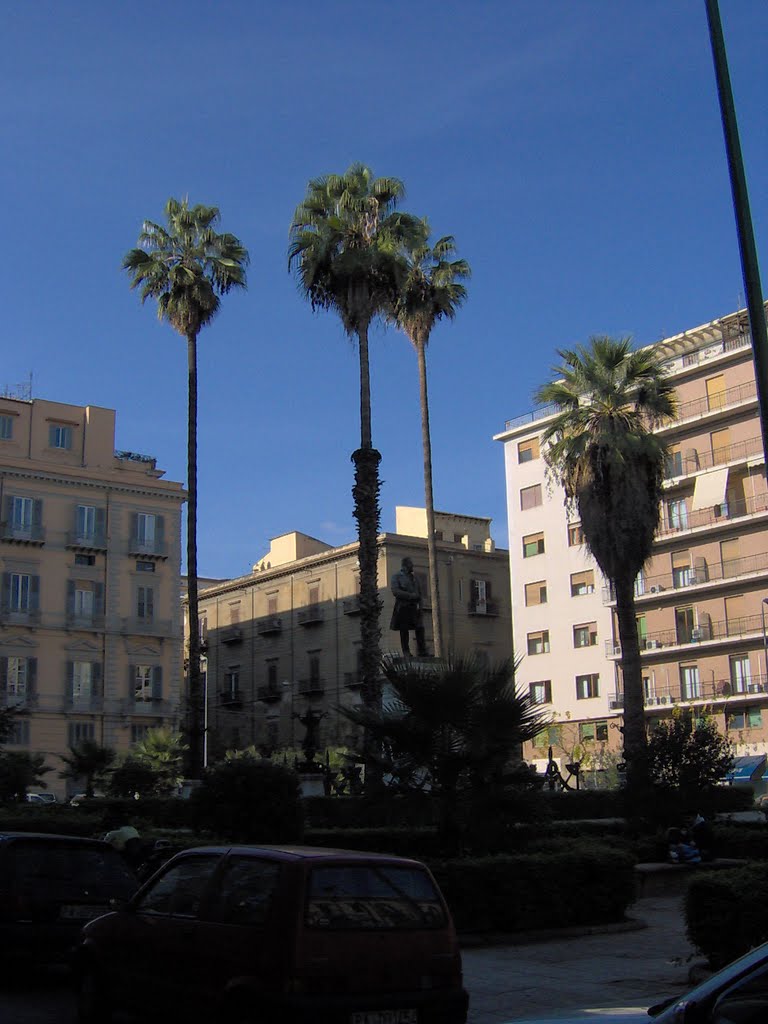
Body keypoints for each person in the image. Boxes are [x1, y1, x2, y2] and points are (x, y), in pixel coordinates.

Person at [390, 556, 428, 657]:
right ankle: (406, 652)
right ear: (406, 565)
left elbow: (419, 593)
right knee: (404, 629)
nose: (413, 566)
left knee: (420, 628)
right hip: (403, 606)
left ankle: (422, 651)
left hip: (414, 607)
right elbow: (395, 591)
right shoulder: (396, 576)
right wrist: (410, 595)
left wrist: (421, 607)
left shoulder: (415, 578)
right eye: (411, 564)